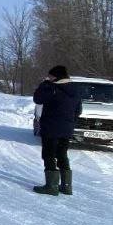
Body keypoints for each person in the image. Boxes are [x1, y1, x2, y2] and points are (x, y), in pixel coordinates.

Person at [32, 64, 82, 196]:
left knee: (49, 155)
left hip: (51, 127)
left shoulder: (52, 88)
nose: (48, 78)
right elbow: (79, 110)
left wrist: (43, 85)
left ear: (55, 76)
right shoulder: (75, 89)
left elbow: (37, 99)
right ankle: (66, 186)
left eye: (50, 76)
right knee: (62, 155)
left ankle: (51, 186)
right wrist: (70, 122)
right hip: (67, 129)